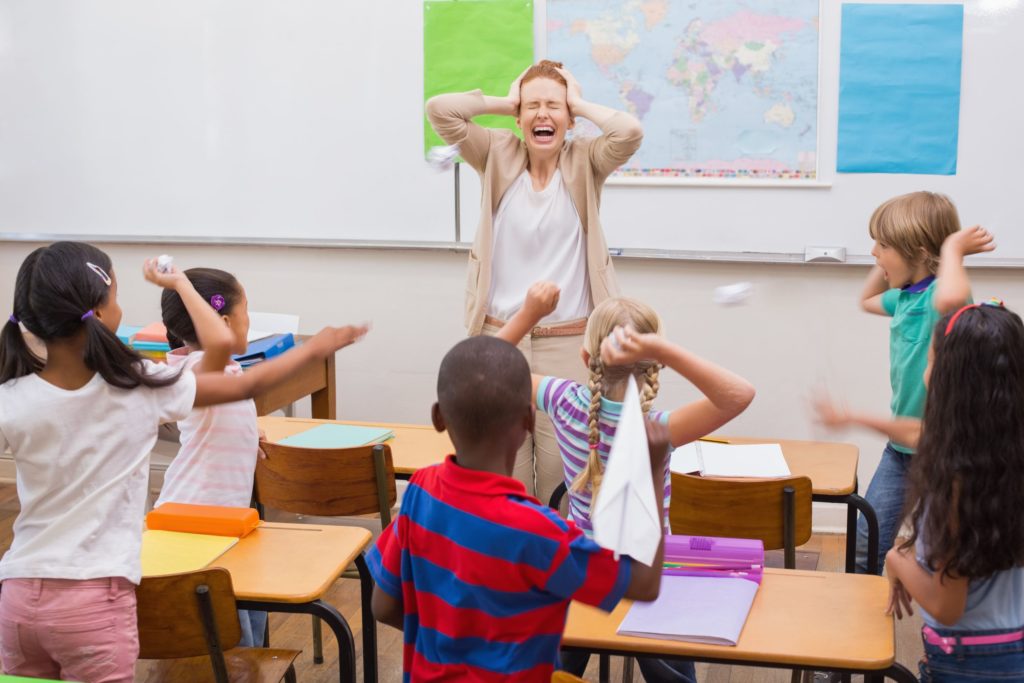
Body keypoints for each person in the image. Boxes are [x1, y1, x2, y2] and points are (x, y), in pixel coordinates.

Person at [0, 242, 366, 681]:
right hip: (94, 599)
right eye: (115, 296)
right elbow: (233, 365)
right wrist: (314, 348)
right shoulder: (137, 387)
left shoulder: (12, 395)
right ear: (97, 313)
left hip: (17, 596)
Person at [367, 335, 668, 681]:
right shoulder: (540, 533)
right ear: (528, 419)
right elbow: (645, 584)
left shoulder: (421, 490)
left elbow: (383, 606)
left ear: (438, 418)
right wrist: (652, 471)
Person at [498, 284, 755, 682]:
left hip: (581, 571)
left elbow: (484, 365)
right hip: (651, 573)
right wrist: (665, 350)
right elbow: (739, 395)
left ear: (586, 358)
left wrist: (529, 314)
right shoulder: (660, 429)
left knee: (554, 669)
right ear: (657, 365)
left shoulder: (562, 400)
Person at [426, 59, 643, 503]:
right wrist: (507, 101)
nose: (543, 114)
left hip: (569, 345)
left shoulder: (586, 160)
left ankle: (555, 553)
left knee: (565, 482)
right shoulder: (495, 152)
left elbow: (629, 132)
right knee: (504, 482)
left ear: (570, 117)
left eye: (554, 106)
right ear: (518, 116)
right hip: (499, 339)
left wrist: (578, 102)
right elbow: (440, 110)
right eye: (532, 106)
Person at [813, 192, 994, 574]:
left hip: (945, 455)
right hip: (900, 450)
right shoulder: (907, 299)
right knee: (866, 542)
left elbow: (952, 298)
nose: (873, 253)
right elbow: (867, 299)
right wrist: (890, 259)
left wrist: (952, 249)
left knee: (939, 554)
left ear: (918, 252)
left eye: (883, 245)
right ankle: (862, 606)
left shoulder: (940, 299)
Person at [886, 301, 1024, 682]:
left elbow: (946, 606)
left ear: (952, 381)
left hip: (971, 662)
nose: (925, 373)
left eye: (930, 362)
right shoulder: (1009, 458)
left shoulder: (960, 476)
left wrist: (896, 558)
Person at [155, 267, 265, 647]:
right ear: (223, 323)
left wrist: (249, 433)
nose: (249, 318)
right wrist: (181, 284)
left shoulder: (221, 371)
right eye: (245, 309)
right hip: (194, 524)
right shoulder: (199, 369)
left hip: (222, 522)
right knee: (230, 638)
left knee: (249, 618)